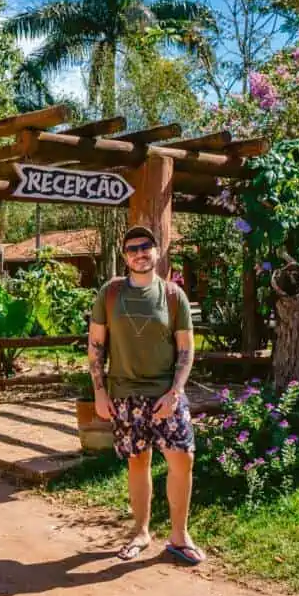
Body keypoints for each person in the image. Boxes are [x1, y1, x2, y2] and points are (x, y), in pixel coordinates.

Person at [87, 225, 204, 565]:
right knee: (138, 461)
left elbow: (186, 350)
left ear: (156, 251)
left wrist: (175, 393)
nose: (139, 253)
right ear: (125, 256)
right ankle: (140, 531)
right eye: (132, 249)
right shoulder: (110, 293)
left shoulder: (173, 295)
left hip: (166, 395)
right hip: (125, 393)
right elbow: (95, 345)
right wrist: (99, 392)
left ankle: (179, 536)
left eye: (145, 247)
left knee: (183, 458)